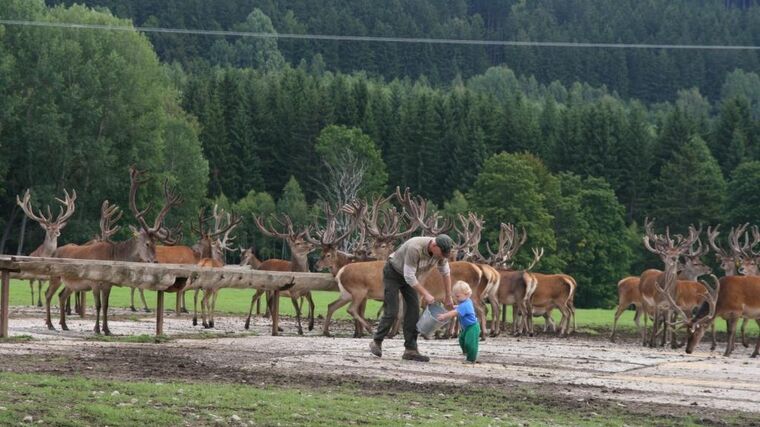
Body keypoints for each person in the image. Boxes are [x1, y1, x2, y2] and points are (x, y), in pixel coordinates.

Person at [369, 234, 454, 362]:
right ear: (434, 245)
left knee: (414, 311)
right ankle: (377, 341)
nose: (442, 256)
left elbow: (446, 273)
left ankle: (410, 350)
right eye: (442, 253)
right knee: (392, 311)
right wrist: (425, 293)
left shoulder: (441, 253)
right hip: (394, 273)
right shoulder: (415, 247)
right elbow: (409, 277)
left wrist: (448, 296)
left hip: (412, 277)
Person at [436, 280, 480, 363]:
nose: (456, 298)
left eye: (458, 296)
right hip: (466, 327)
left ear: (467, 294)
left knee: (470, 342)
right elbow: (459, 308)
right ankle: (467, 352)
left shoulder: (465, 304)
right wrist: (455, 306)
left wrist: (444, 316)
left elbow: (455, 312)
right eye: (455, 296)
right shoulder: (465, 302)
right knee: (461, 339)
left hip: (472, 327)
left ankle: (471, 359)